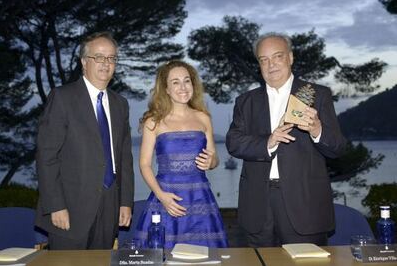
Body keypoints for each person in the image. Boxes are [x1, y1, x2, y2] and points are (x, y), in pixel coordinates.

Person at [226, 32, 347, 247]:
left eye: (277, 57)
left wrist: (317, 130)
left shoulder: (317, 95)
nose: (271, 65)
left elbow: (337, 147)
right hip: (257, 206)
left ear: (290, 58)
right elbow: (233, 142)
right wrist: (268, 141)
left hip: (305, 206)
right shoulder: (246, 101)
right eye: (264, 60)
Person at [35, 31, 134, 250]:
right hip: (69, 210)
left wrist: (125, 202)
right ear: (83, 62)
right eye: (98, 57)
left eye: (111, 58)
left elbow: (124, 159)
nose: (105, 63)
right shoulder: (62, 98)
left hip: (109, 208)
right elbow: (46, 156)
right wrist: (55, 206)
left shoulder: (121, 104)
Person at [134, 60, 228, 248]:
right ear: (166, 89)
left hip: (201, 200)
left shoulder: (203, 117)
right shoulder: (153, 121)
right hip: (166, 199)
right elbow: (144, 164)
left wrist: (211, 161)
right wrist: (161, 196)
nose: (183, 87)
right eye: (175, 82)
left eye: (187, 81)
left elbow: (214, 159)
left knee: (206, 256)